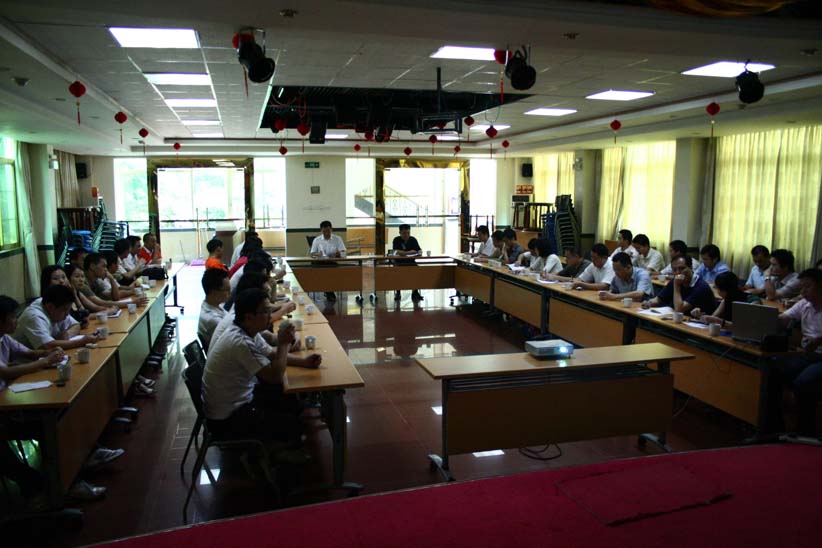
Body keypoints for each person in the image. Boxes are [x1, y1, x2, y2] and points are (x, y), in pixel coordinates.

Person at [202, 288, 320, 451]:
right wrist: (284, 343)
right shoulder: (240, 341)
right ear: (249, 317)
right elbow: (274, 376)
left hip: (235, 402)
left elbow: (271, 353)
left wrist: (304, 362)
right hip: (227, 419)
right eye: (265, 312)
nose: (270, 315)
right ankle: (271, 452)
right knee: (293, 423)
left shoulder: (245, 330)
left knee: (289, 400)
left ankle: (279, 443)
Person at [768, 268, 822, 436]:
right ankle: (773, 425)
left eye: (808, 286)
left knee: (803, 382)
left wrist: (819, 340)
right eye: (801, 287)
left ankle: (806, 430)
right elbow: (783, 320)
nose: (803, 291)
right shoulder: (804, 304)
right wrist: (764, 317)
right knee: (771, 370)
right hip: (807, 354)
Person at [14, 284, 99, 351]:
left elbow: (76, 325)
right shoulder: (34, 317)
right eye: (65, 310)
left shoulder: (56, 305)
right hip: (25, 362)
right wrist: (82, 341)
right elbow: (47, 346)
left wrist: (67, 334)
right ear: (50, 307)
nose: (67, 314)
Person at [642, 255, 717, 314]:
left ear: (690, 267)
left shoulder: (701, 286)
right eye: (674, 270)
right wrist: (648, 303)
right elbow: (658, 299)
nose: (678, 272)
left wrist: (676, 285)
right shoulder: (675, 281)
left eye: (682, 268)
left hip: (701, 324)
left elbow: (679, 309)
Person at [198, 268, 230, 351]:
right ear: (214, 293)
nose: (230, 293)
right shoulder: (212, 319)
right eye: (227, 290)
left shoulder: (213, 305)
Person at [392, 224, 423, 301]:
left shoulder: (413, 239)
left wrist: (419, 252)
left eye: (408, 233)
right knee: (397, 274)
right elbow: (396, 251)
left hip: (411, 262)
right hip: (399, 263)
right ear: (400, 233)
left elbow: (418, 250)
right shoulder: (396, 240)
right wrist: (409, 252)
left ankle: (415, 292)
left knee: (417, 272)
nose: (406, 235)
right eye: (404, 233)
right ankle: (398, 293)